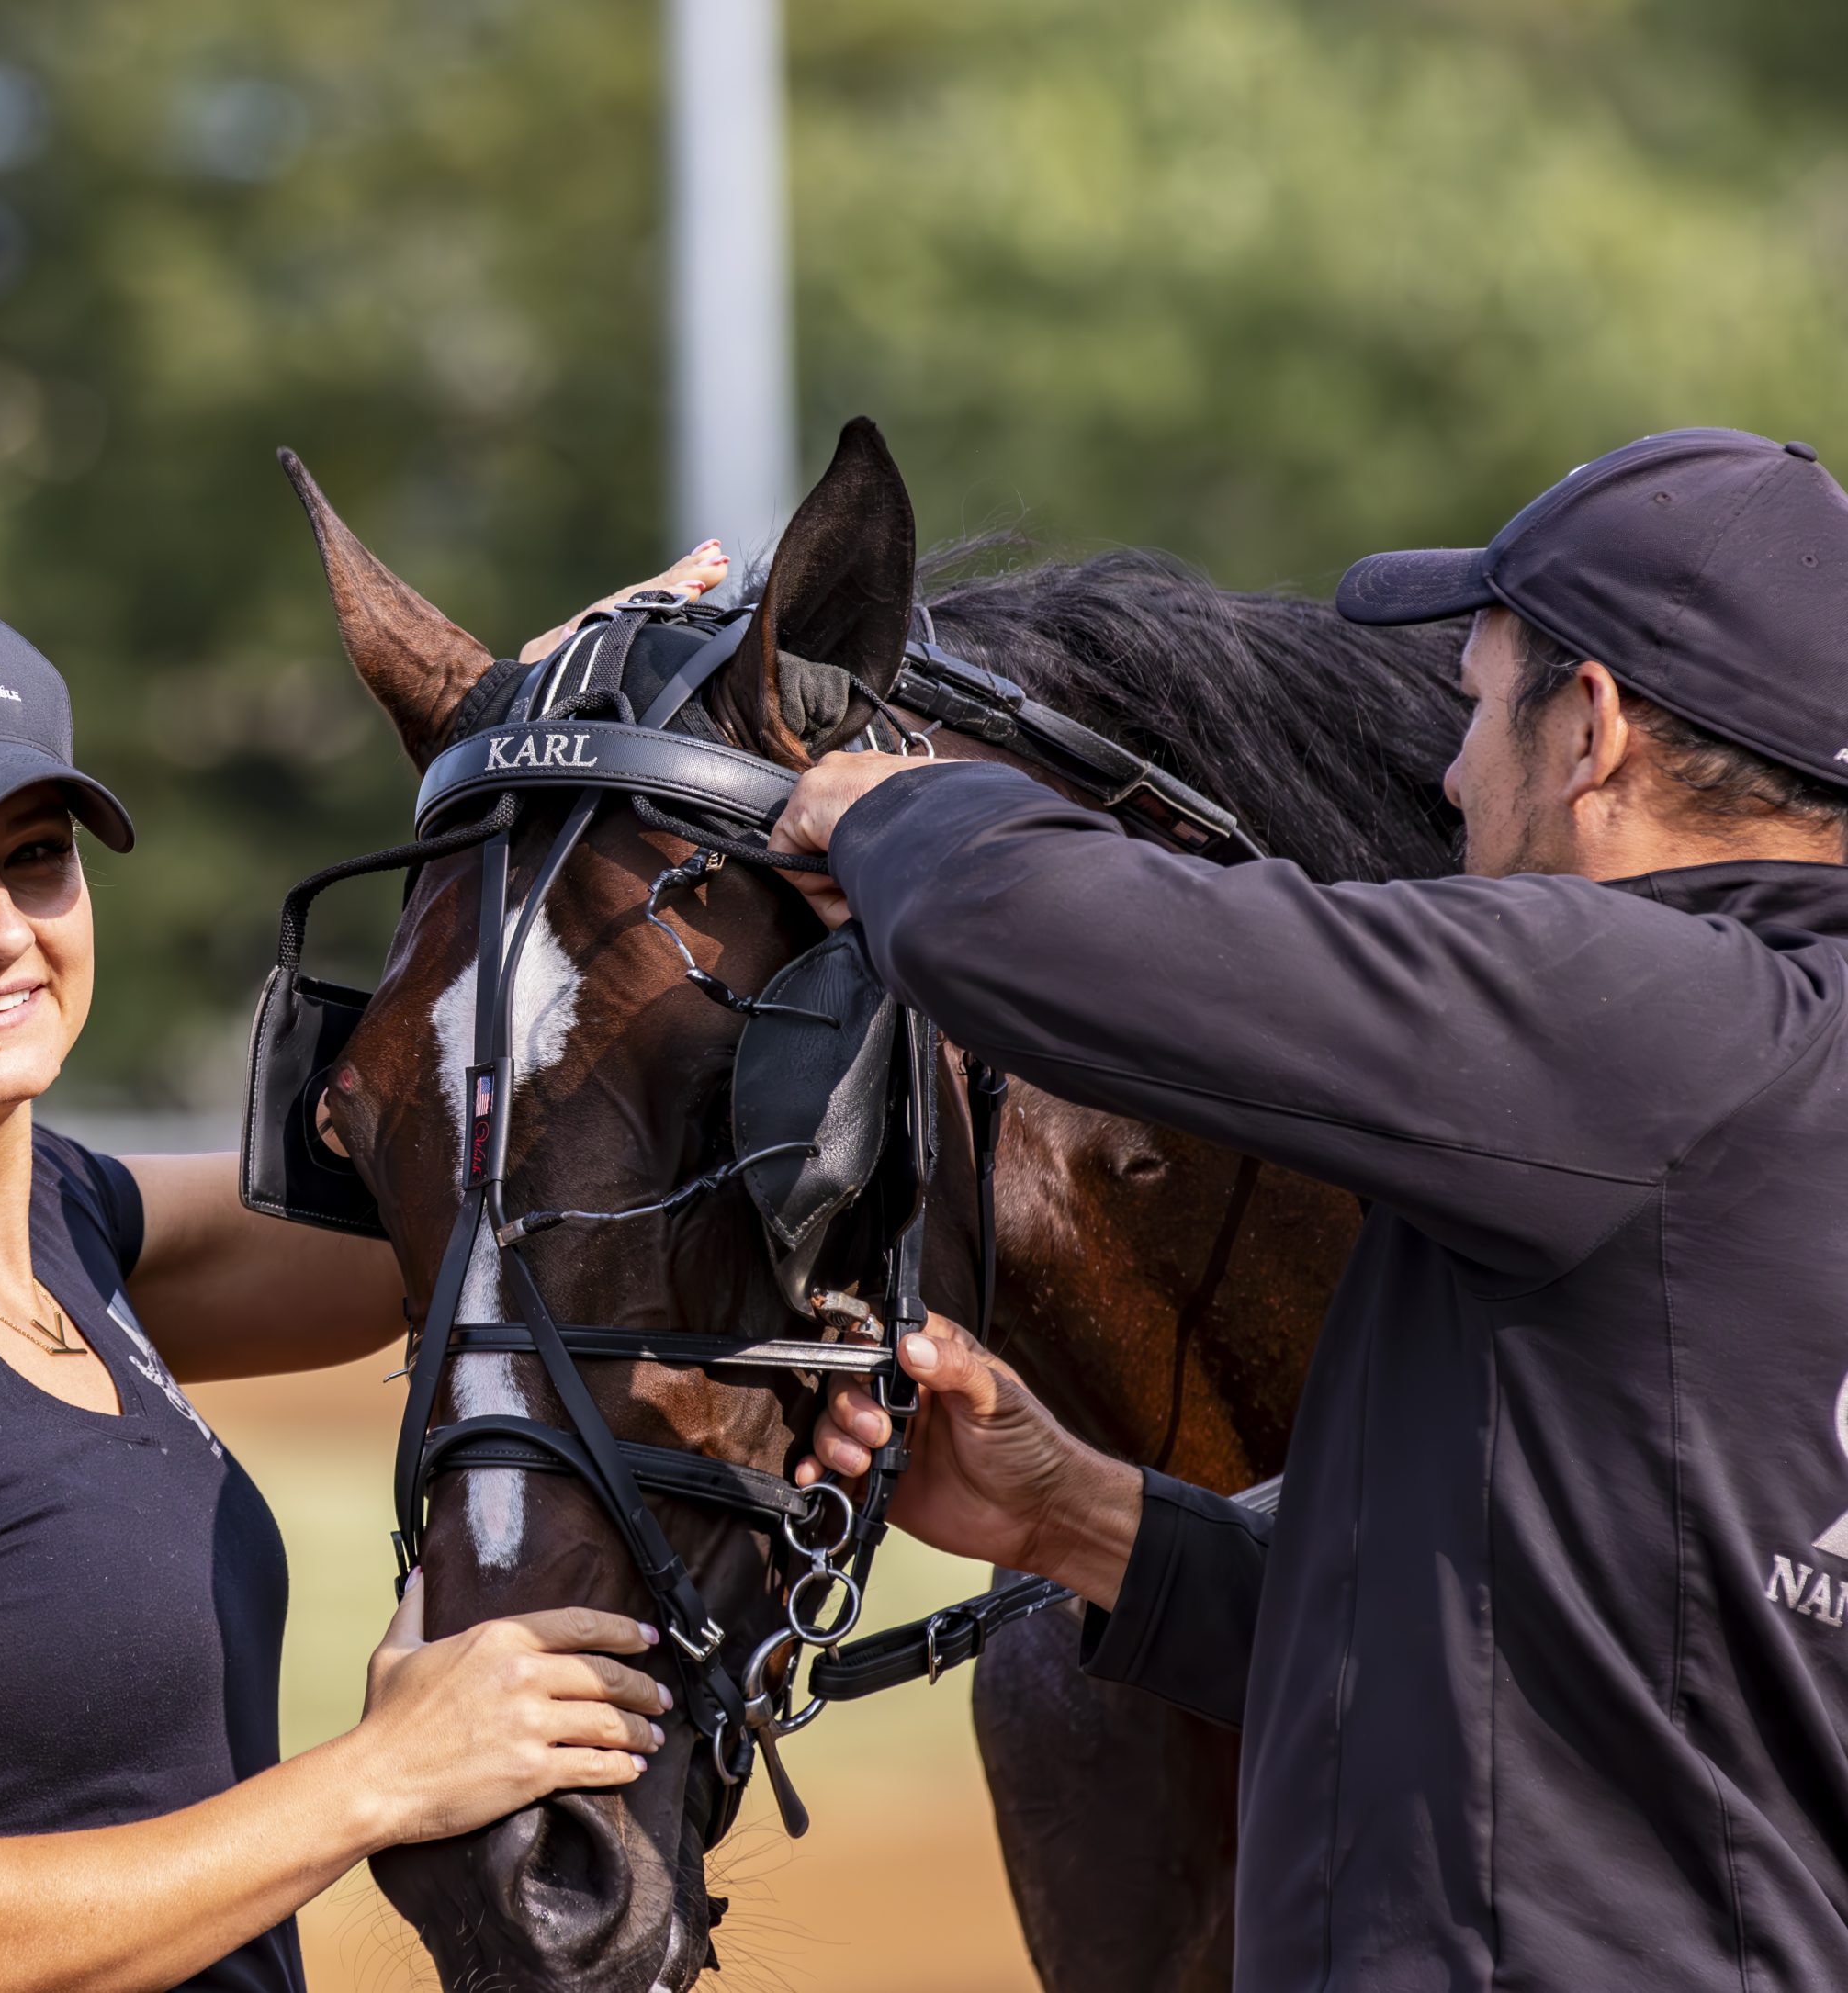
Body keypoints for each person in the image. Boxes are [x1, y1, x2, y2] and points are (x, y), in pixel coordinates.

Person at [775, 429, 1848, 1988]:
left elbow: (1082, 940)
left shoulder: (1655, 1020)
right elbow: (1583, 1651)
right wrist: (1071, 1515)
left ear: (1592, 729)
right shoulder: (1769, 1069)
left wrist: (890, 810)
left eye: (1478, 705)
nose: (1449, 772)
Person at [0, 552, 723, 1993]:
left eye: (35, 857)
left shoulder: (57, 1221)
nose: (0, 928)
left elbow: (441, 1231)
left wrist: (528, 734)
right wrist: (385, 1775)